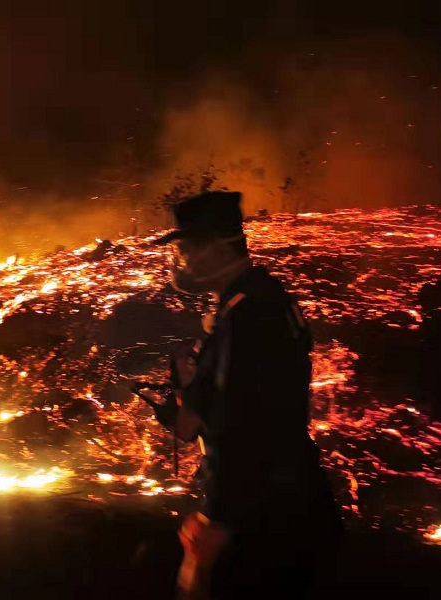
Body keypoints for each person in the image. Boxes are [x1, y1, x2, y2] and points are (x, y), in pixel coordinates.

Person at [151, 191, 343, 598]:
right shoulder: (246, 303)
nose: (181, 260)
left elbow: (248, 425)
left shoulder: (253, 314)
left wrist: (218, 517)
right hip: (273, 504)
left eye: (187, 249)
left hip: (266, 518)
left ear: (218, 248)